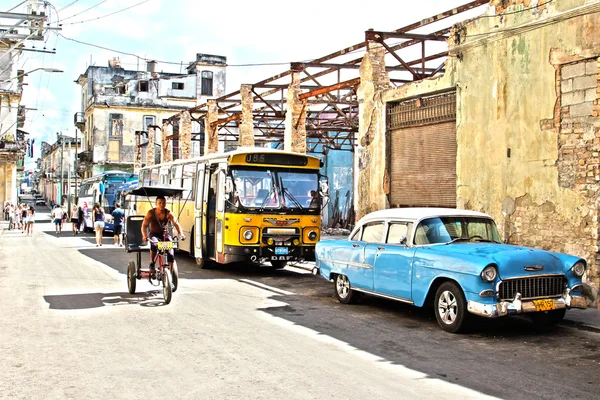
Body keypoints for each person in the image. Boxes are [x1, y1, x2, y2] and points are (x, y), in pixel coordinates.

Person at [141, 195, 185, 274]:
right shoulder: (151, 213)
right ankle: (152, 263)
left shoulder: (168, 213)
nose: (161, 204)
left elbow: (176, 224)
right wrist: (145, 235)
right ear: (156, 203)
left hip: (165, 234)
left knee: (171, 252)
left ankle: (170, 273)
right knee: (155, 244)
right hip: (154, 234)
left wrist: (181, 234)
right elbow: (144, 226)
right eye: (160, 203)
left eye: (163, 203)